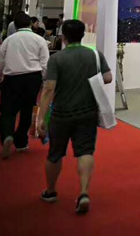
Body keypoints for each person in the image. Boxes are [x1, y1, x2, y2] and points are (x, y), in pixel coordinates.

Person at [35, 19, 112, 214]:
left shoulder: (57, 59)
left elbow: (49, 89)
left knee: (55, 153)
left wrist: (41, 117)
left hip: (61, 114)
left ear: (63, 37)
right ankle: (84, 192)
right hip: (88, 113)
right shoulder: (95, 55)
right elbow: (108, 77)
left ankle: (51, 191)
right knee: (85, 151)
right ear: (83, 35)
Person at [0, 12, 49, 159]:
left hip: (12, 79)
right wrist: (45, 80)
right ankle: (21, 142)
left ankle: (7, 135)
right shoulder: (39, 40)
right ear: (30, 24)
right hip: (33, 78)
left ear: (15, 25)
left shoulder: (9, 40)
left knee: (7, 111)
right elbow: (45, 63)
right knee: (27, 110)